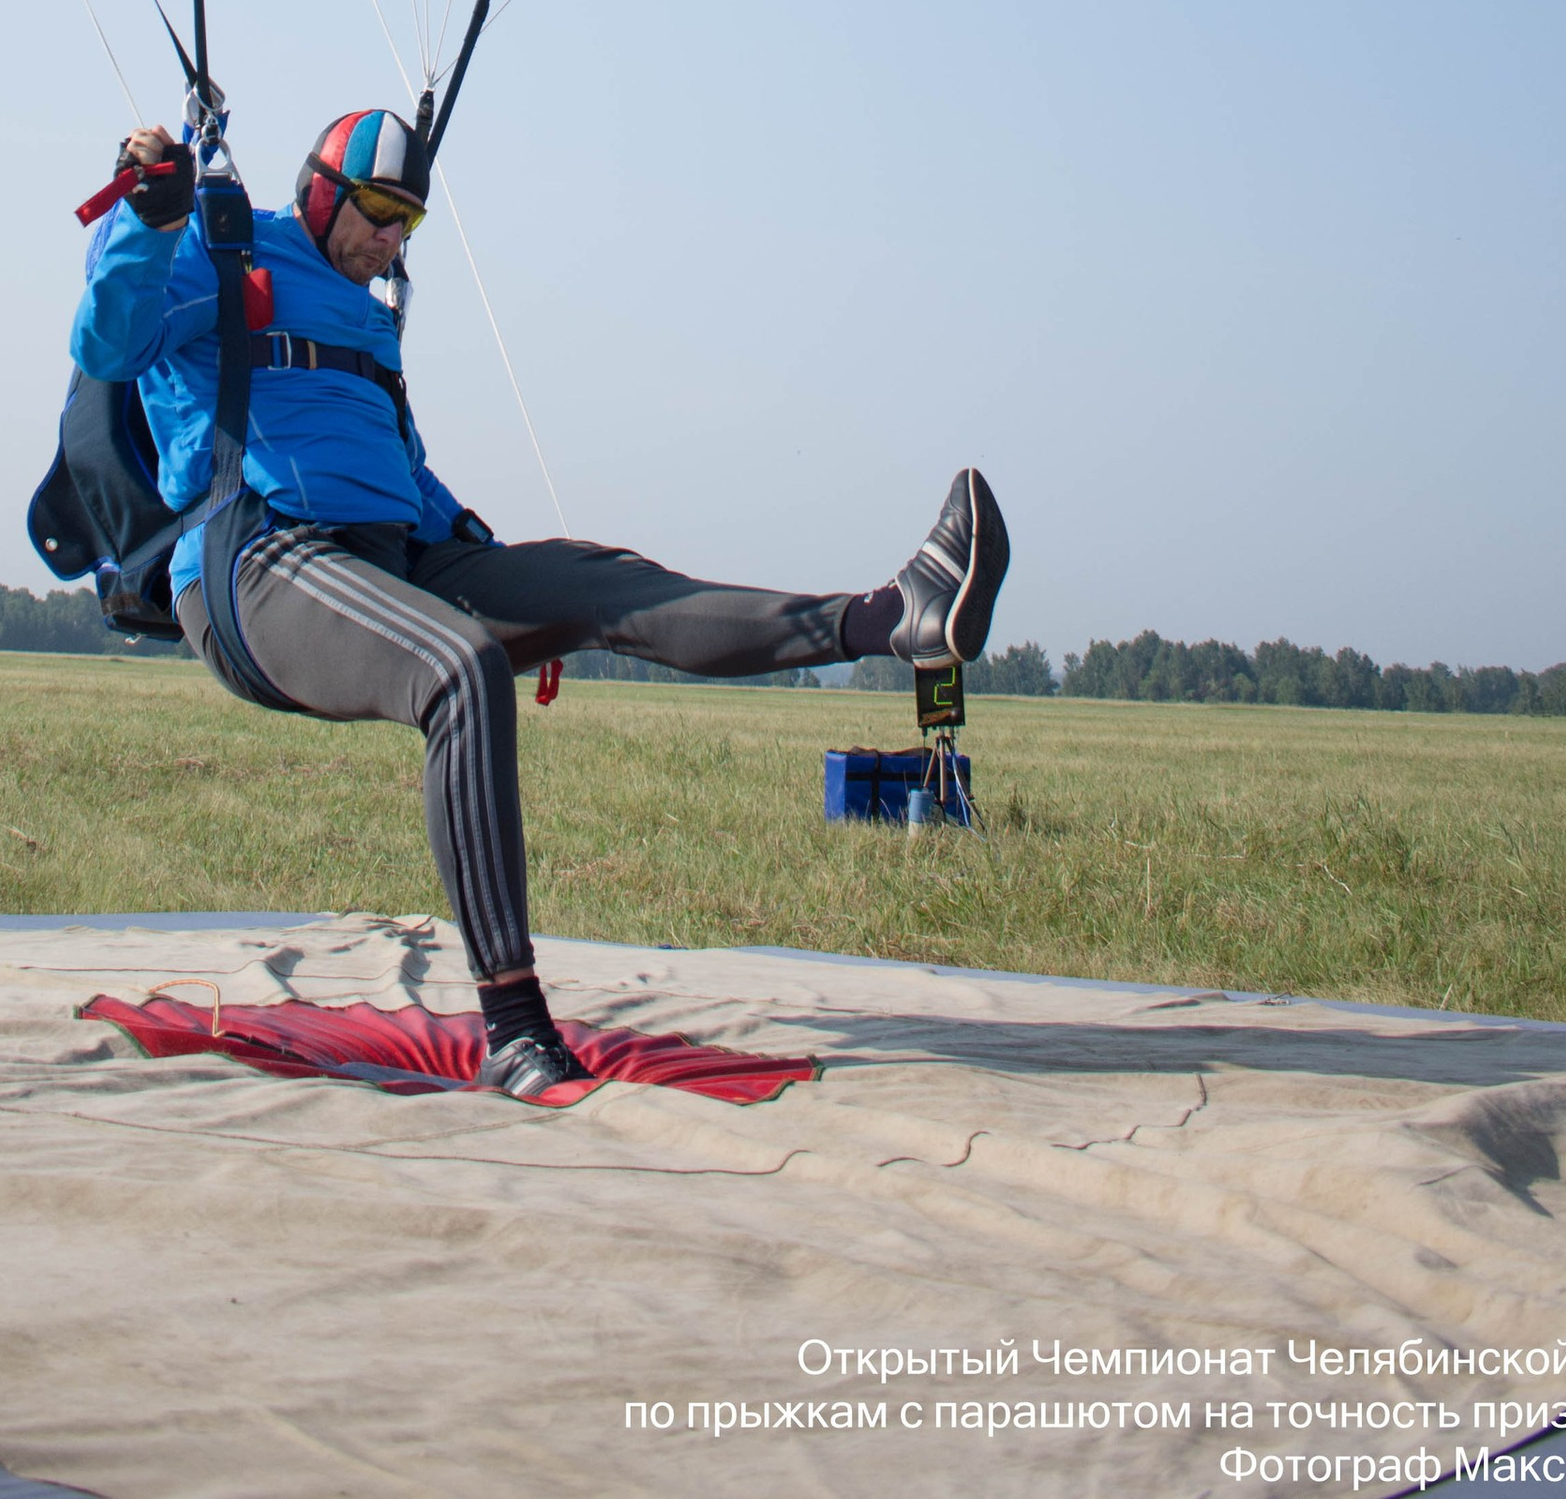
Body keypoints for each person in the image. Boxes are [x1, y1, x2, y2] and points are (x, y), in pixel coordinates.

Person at [73, 105, 1010, 1100]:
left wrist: (499, 571)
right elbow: (108, 341)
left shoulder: (368, 318)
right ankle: (516, 1030)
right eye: (379, 211)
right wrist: (149, 216)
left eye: (408, 222)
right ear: (319, 190)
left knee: (602, 579)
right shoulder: (221, 247)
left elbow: (403, 471)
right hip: (257, 562)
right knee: (460, 667)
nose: (391, 240)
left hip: (393, 555)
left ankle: (892, 617)